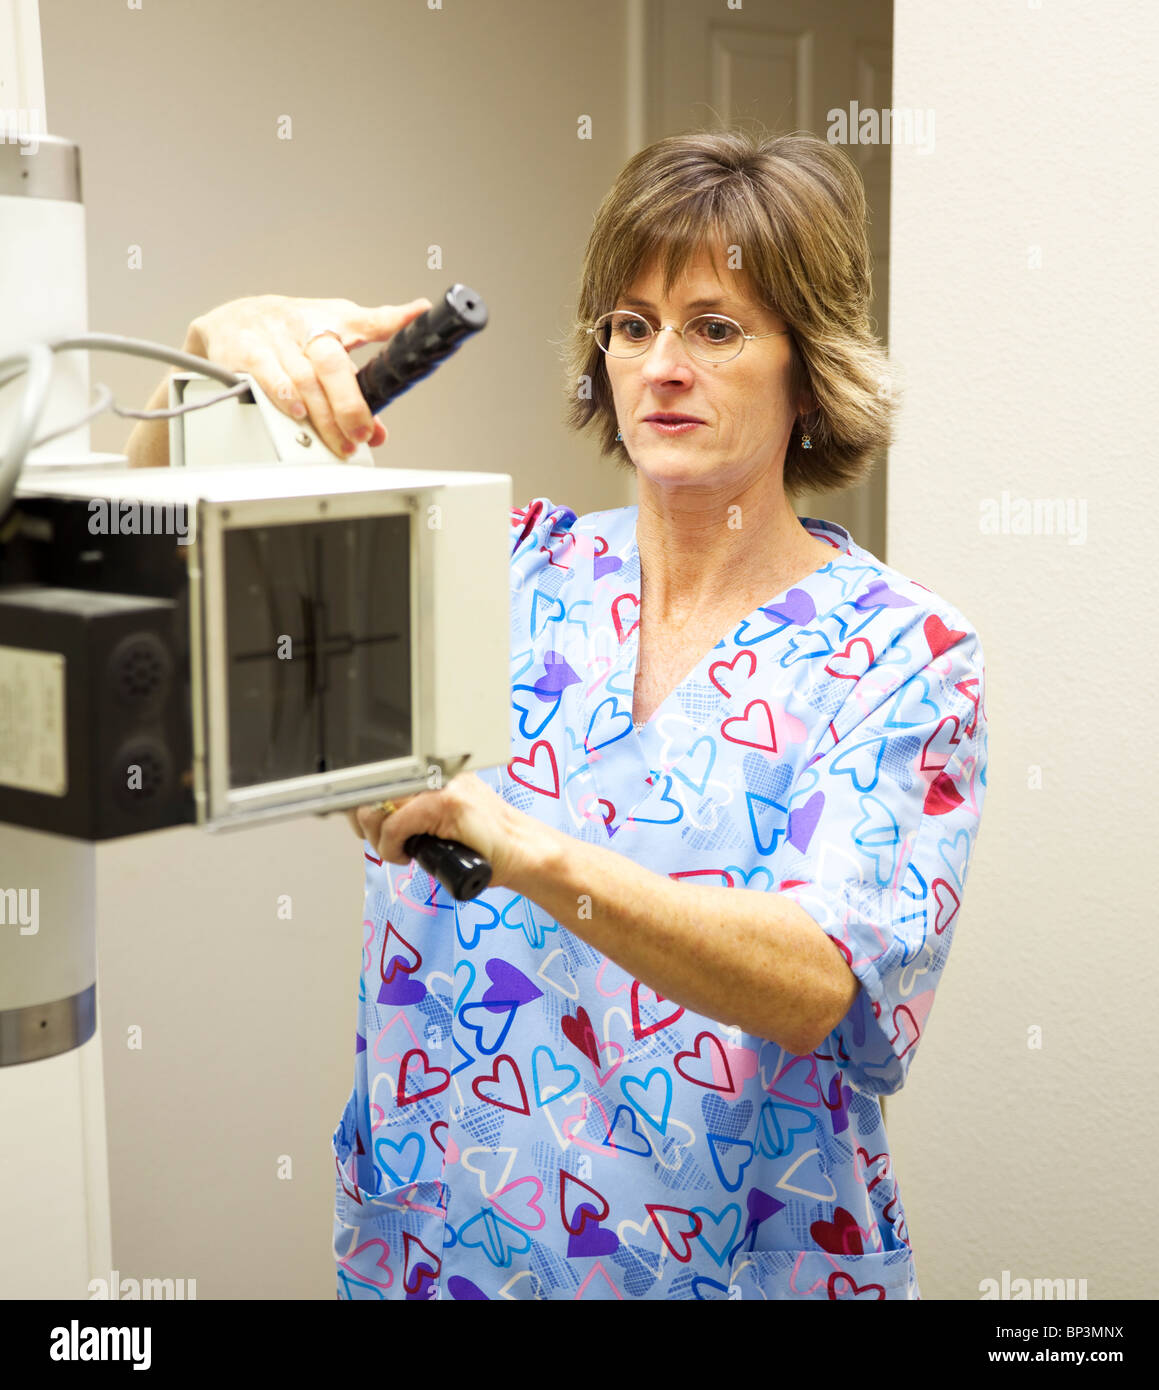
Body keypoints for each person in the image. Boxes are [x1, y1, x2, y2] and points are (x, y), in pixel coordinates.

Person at [130, 129, 988, 1300]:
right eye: (632, 326)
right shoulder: (507, 570)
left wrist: (526, 848)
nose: (660, 365)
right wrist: (202, 376)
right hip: (448, 1246)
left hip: (730, 1263)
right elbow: (150, 620)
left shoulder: (903, 653)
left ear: (810, 369)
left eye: (715, 327)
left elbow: (826, 978)